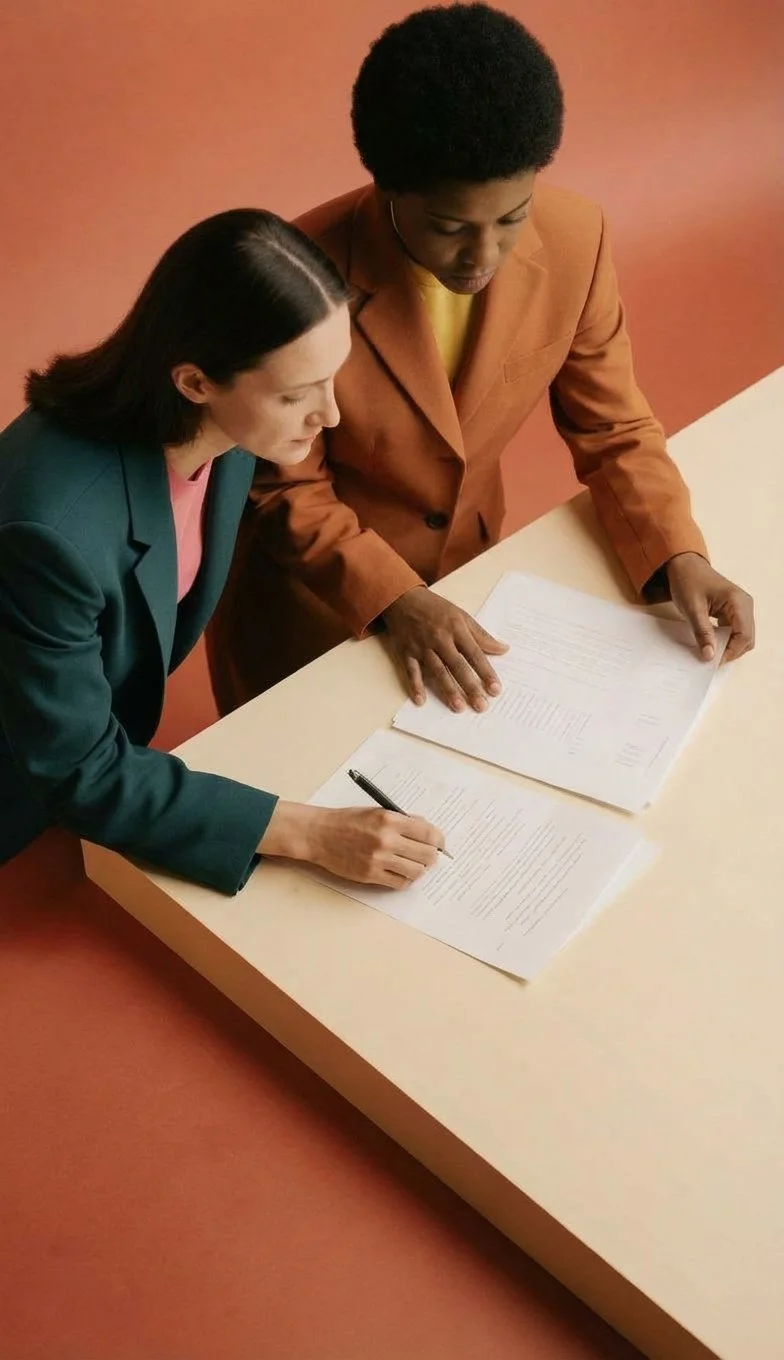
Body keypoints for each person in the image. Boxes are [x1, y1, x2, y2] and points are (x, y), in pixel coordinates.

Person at [206, 3, 754, 717]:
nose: (484, 256)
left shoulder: (577, 240)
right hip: (311, 615)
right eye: (449, 227)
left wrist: (680, 555)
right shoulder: (296, 275)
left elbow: (614, 430)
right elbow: (283, 491)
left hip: (471, 581)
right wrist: (398, 601)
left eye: (512, 217)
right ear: (387, 187)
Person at [0, 209, 444, 892]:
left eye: (332, 378)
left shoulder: (226, 434)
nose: (330, 416)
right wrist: (309, 832)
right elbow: (75, 770)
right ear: (195, 382)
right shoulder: (51, 536)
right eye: (297, 394)